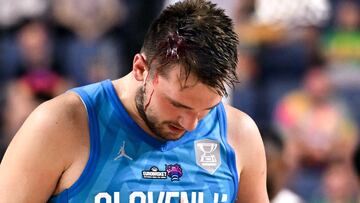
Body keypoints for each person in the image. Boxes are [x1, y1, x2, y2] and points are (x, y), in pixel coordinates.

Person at [0, 0, 269, 202]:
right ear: (141, 68)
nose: (190, 124)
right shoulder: (59, 125)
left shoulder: (239, 134)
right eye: (178, 105)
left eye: (207, 110)